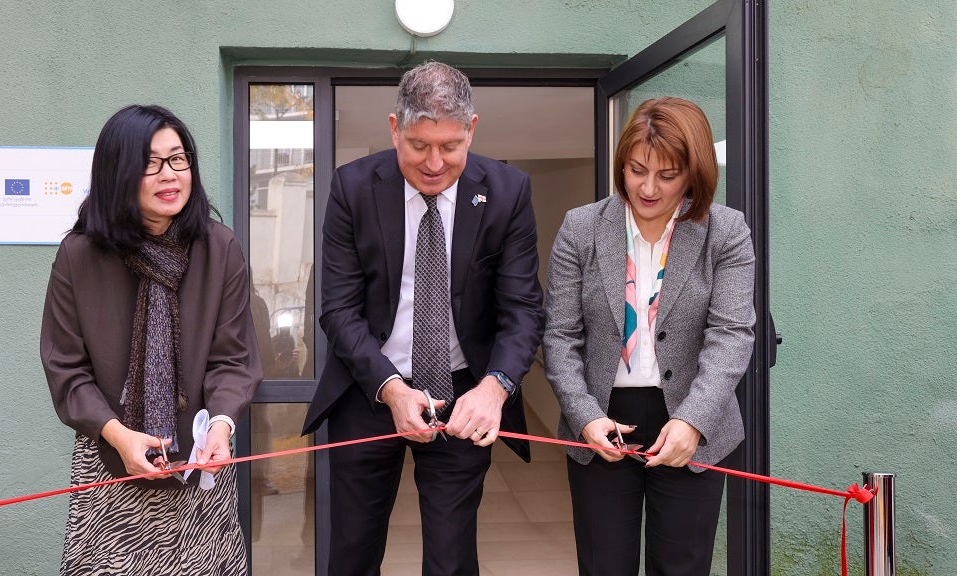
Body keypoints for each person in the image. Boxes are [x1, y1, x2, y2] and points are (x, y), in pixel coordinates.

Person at [301, 61, 544, 575]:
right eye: (418, 145)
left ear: (472, 129)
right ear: (394, 128)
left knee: (452, 557)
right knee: (353, 551)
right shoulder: (352, 188)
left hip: (464, 395)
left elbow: (522, 308)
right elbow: (338, 309)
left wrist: (495, 388)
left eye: (451, 146)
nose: (434, 163)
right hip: (371, 390)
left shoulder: (506, 192)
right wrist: (391, 388)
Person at [40, 104, 263, 575]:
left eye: (178, 159)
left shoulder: (219, 248)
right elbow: (67, 369)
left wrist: (222, 428)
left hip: (199, 464)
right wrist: (119, 437)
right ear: (117, 173)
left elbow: (234, 358)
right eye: (150, 162)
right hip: (110, 461)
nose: (170, 174)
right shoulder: (78, 256)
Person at [543, 97, 756, 575]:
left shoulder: (726, 232)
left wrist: (693, 421)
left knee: (681, 566)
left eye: (667, 174)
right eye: (637, 170)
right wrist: (584, 416)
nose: (648, 187)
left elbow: (732, 335)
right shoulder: (581, 228)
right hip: (602, 419)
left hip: (690, 422)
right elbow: (559, 336)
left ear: (694, 173)